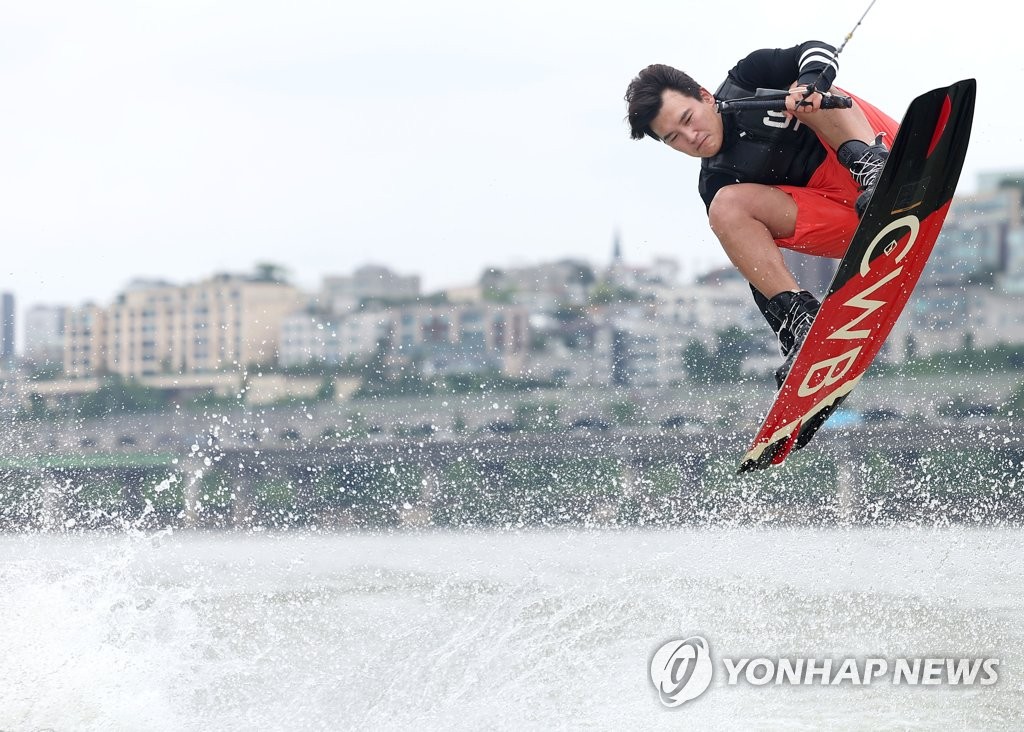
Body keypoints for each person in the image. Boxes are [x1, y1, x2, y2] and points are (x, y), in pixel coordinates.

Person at [624, 41, 899, 387]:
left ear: (706, 96)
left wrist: (809, 82)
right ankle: (805, 324)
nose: (690, 138)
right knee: (725, 208)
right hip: (849, 223)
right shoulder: (717, 182)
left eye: (687, 119)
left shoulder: (749, 77)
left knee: (799, 92)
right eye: (673, 138)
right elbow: (759, 272)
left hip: (887, 155)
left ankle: (874, 168)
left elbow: (818, 50)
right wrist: (790, 331)